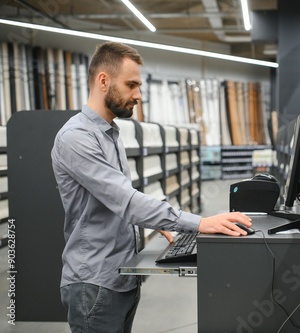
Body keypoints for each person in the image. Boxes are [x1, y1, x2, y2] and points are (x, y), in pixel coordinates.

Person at [51, 41, 252, 333]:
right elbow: (127, 202)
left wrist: (154, 219)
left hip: (120, 279)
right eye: (131, 85)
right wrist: (199, 223)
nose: (139, 95)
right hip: (94, 285)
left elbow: (115, 197)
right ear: (103, 81)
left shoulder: (110, 133)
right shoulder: (76, 138)